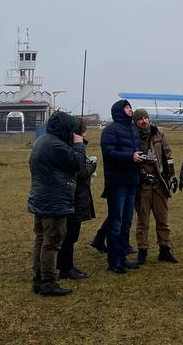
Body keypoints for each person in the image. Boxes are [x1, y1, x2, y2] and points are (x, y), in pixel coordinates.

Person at [27, 110, 88, 297]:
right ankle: (48, 283)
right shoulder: (56, 146)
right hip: (55, 201)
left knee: (41, 240)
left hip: (40, 198)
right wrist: (79, 145)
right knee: (52, 243)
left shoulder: (42, 141)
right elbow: (78, 163)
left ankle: (38, 278)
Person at [99, 99, 154, 273]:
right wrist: (130, 156)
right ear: (119, 111)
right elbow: (109, 152)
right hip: (117, 183)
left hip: (132, 180)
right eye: (127, 108)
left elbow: (137, 148)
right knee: (116, 222)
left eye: (130, 107)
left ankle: (122, 258)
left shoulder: (132, 130)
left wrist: (144, 156)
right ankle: (113, 261)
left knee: (127, 222)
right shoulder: (110, 131)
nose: (130, 110)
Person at [131, 108, 179, 265]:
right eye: (140, 119)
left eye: (146, 118)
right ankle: (142, 252)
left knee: (163, 219)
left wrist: (172, 176)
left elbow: (168, 156)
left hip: (159, 184)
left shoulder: (159, 134)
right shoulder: (131, 137)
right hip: (142, 186)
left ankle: (164, 250)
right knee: (142, 221)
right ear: (135, 121)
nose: (144, 121)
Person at [55, 117, 97, 281]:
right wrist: (91, 167)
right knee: (70, 234)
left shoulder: (64, 144)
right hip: (73, 195)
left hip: (72, 194)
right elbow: (78, 172)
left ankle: (65, 265)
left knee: (70, 234)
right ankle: (66, 267)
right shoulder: (73, 146)